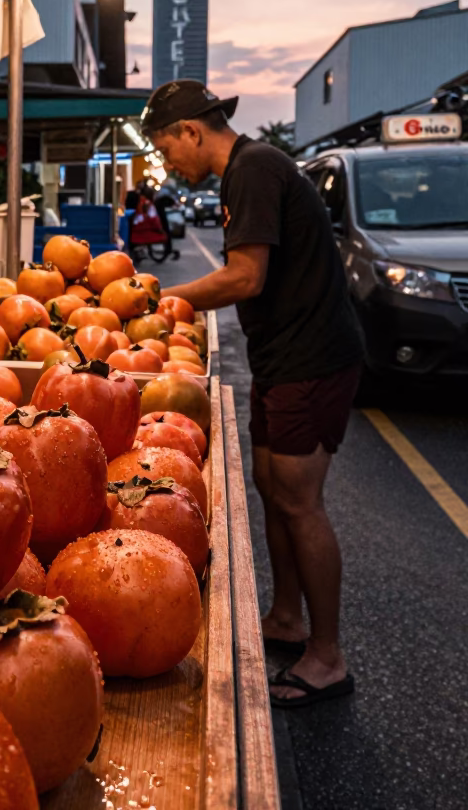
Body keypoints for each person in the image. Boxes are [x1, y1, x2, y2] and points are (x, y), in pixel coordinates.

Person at [141, 79, 364, 709]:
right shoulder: (248, 170)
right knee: (272, 487)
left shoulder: (253, 168)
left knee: (300, 502)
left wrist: (162, 298)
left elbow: (246, 274)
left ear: (191, 129)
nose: (169, 163)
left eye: (166, 148)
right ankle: (286, 619)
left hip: (312, 359)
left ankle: (327, 657)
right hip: (284, 356)